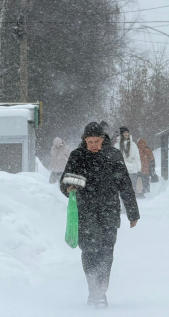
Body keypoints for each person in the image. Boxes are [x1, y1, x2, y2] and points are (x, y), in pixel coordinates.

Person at [60, 122, 140, 308]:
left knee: (106, 253)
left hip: (109, 212)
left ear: (103, 139)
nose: (93, 145)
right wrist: (68, 188)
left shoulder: (113, 155)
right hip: (85, 212)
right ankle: (93, 289)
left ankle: (101, 292)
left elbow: (125, 185)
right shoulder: (77, 156)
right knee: (89, 252)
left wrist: (132, 213)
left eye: (96, 141)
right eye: (89, 142)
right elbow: (64, 182)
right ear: (84, 140)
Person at [116, 127, 141, 191]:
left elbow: (137, 158)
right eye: (124, 132)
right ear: (121, 134)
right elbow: (115, 159)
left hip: (133, 171)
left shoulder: (133, 144)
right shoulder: (117, 145)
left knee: (132, 189)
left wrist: (139, 170)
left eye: (127, 132)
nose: (126, 134)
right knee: (123, 190)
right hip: (122, 171)